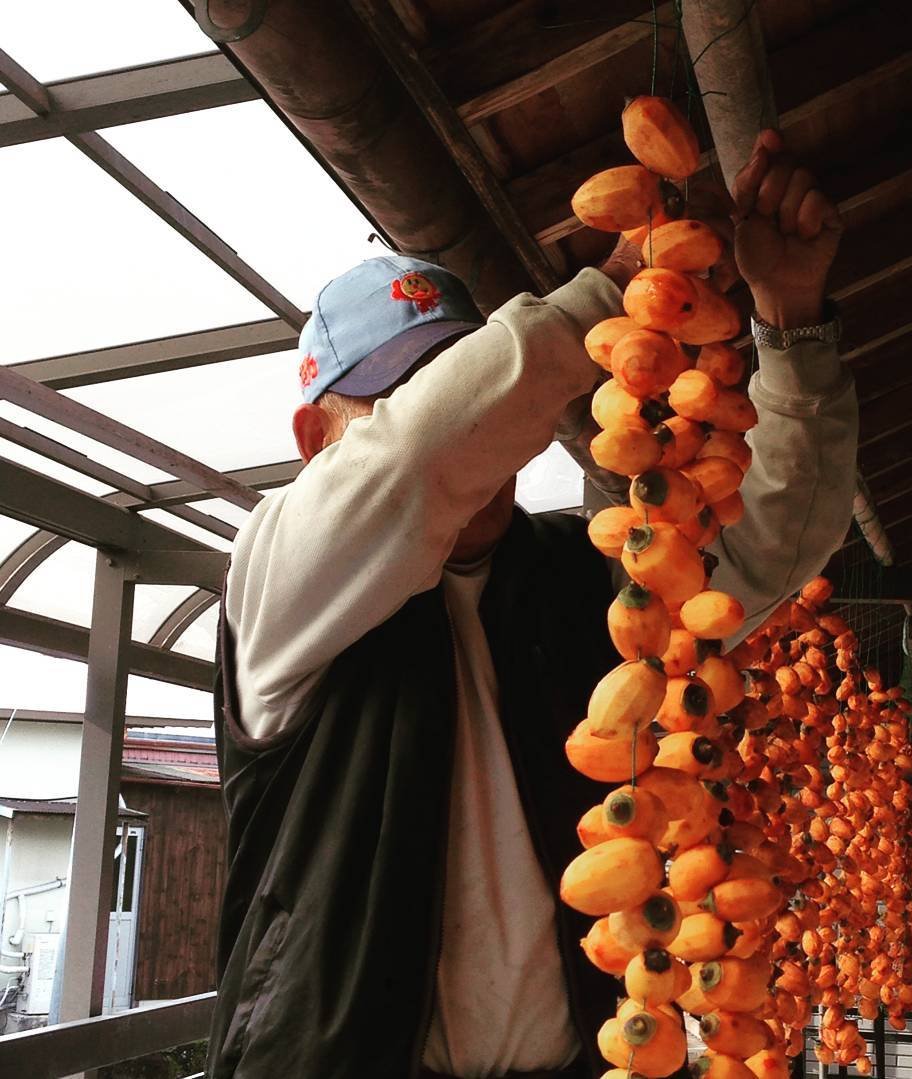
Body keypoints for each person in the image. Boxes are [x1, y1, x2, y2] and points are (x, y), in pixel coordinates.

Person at [207, 131, 857, 1079]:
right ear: (316, 438)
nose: (468, 427)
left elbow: (783, 541)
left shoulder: (588, 577)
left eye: (458, 375)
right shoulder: (279, 579)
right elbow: (413, 459)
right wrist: (615, 286)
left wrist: (791, 323)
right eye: (399, 394)